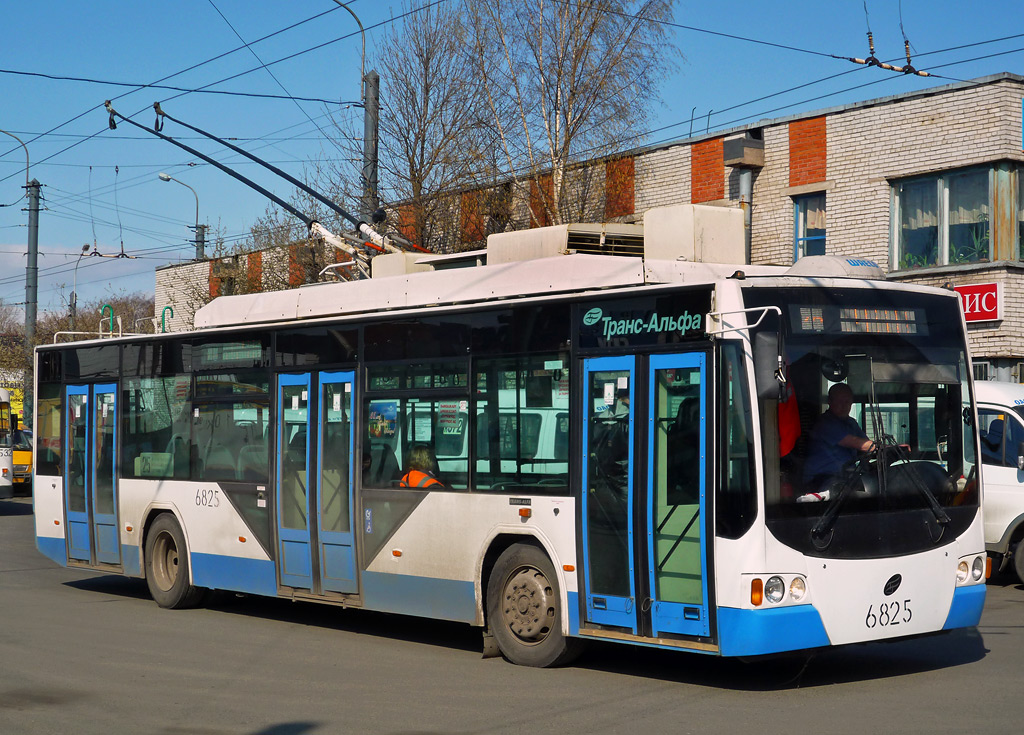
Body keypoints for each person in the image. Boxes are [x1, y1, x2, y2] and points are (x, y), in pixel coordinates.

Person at [802, 383, 876, 494]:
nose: (844, 406)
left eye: (847, 402)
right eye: (840, 402)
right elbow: (858, 444)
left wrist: (891, 449)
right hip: (821, 481)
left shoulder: (851, 423)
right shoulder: (825, 423)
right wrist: (880, 447)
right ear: (830, 402)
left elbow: (866, 446)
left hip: (845, 477)